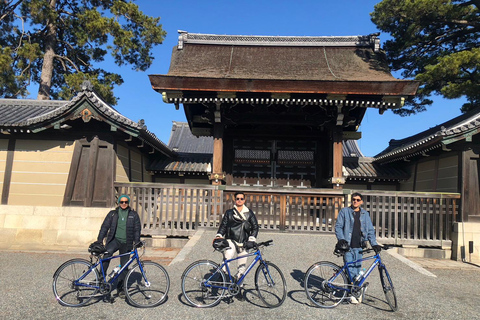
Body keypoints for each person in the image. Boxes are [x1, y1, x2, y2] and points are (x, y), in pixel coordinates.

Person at [334, 192, 381, 304]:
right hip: (347, 246)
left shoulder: (365, 214)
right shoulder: (344, 211)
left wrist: (374, 243)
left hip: (359, 246)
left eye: (358, 200)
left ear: (361, 202)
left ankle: (355, 291)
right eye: (354, 199)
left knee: (357, 269)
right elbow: (338, 226)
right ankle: (352, 293)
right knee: (350, 269)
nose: (355, 201)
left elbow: (370, 230)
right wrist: (341, 239)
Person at [97, 194, 141, 298]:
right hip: (114, 240)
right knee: (106, 256)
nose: (124, 204)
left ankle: (121, 288)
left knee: (124, 265)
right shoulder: (113, 214)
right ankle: (101, 279)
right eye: (122, 202)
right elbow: (105, 226)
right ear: (119, 203)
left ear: (128, 203)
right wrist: (99, 240)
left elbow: (137, 229)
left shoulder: (133, 215)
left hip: (127, 242)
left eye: (126, 202)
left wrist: (137, 241)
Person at [214, 192, 259, 289]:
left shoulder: (249, 213)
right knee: (228, 254)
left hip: (244, 242)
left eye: (241, 198)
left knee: (242, 267)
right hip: (231, 239)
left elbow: (255, 227)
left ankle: (239, 287)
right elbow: (223, 226)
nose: (239, 200)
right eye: (237, 198)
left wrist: (251, 239)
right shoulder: (229, 213)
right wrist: (219, 235)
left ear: (244, 200)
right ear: (235, 200)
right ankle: (222, 275)